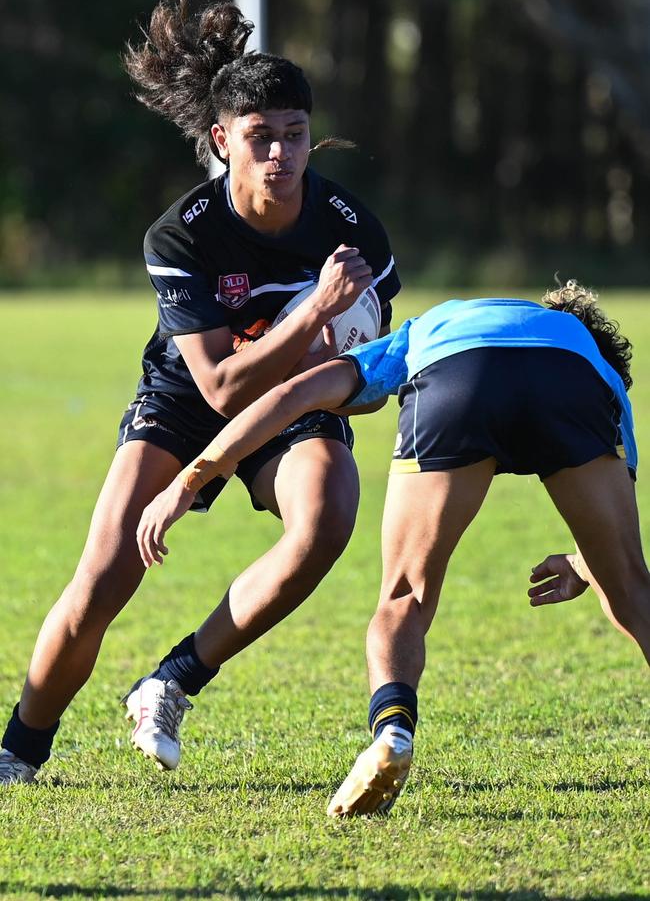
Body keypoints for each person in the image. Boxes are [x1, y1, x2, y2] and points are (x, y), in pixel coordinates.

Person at [0, 0, 399, 784]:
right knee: (104, 576)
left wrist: (347, 378)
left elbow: (372, 381)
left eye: (295, 135)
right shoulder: (181, 233)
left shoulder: (355, 230)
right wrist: (314, 310)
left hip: (296, 401)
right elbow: (219, 385)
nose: (281, 155)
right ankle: (18, 748)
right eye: (260, 139)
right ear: (222, 142)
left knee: (327, 518)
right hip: (185, 402)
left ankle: (173, 680)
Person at [135, 282, 650, 816]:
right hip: (572, 390)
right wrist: (588, 564)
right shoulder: (594, 365)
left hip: (457, 376)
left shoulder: (429, 327)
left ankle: (394, 733)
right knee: (632, 591)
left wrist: (189, 482)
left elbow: (292, 396)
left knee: (405, 597)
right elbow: (624, 550)